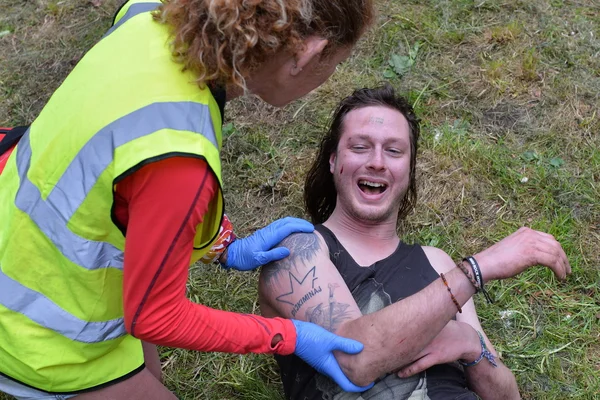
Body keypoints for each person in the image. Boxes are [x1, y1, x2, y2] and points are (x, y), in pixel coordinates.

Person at [0, 0, 378, 398]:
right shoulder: (179, 159)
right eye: (334, 64)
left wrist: (223, 245)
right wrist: (288, 335)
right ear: (308, 53)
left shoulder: (146, 16)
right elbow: (156, 318)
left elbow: (132, 189)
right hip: (35, 328)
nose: (330, 76)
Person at [258, 85, 571, 399]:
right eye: (360, 147)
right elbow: (354, 359)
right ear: (333, 160)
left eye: (394, 151)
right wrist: (477, 269)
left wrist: (470, 345)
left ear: (408, 170)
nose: (377, 162)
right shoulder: (297, 250)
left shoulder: (437, 262)